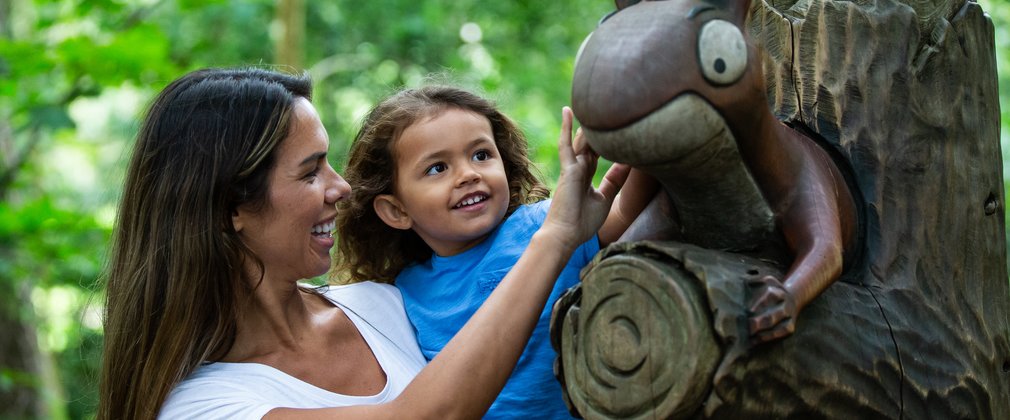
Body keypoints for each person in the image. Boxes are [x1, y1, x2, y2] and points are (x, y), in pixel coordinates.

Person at [96, 67, 631, 419]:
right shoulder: (206, 406)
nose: (342, 187)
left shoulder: (382, 303)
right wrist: (555, 236)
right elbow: (432, 414)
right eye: (310, 174)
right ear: (229, 210)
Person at [335, 86, 657, 419]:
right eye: (437, 168)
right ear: (396, 210)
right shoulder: (402, 293)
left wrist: (654, 133)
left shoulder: (542, 226)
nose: (469, 174)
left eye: (481, 155)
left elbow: (624, 215)